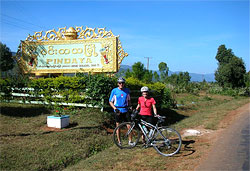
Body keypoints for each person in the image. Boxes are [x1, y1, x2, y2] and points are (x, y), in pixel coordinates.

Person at [109, 77, 134, 146]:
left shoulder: (127, 90)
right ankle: (119, 141)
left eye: (122, 83)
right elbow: (110, 101)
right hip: (118, 110)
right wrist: (115, 108)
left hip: (125, 109)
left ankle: (130, 141)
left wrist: (130, 107)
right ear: (118, 84)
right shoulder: (114, 91)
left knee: (129, 126)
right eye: (120, 83)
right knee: (118, 126)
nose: (121, 84)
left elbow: (129, 100)